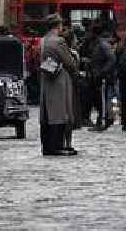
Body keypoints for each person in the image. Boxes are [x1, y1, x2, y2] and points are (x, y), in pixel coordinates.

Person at [39, 14, 78, 156]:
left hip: (47, 79)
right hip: (59, 81)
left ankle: (48, 146)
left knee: (48, 115)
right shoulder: (59, 41)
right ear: (58, 26)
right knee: (59, 114)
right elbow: (70, 63)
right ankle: (57, 146)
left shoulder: (43, 40)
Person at [87, 25, 116, 132]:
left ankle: (103, 121)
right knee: (101, 100)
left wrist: (102, 72)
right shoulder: (101, 44)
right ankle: (103, 120)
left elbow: (112, 59)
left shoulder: (103, 45)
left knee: (103, 100)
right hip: (101, 76)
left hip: (104, 77)